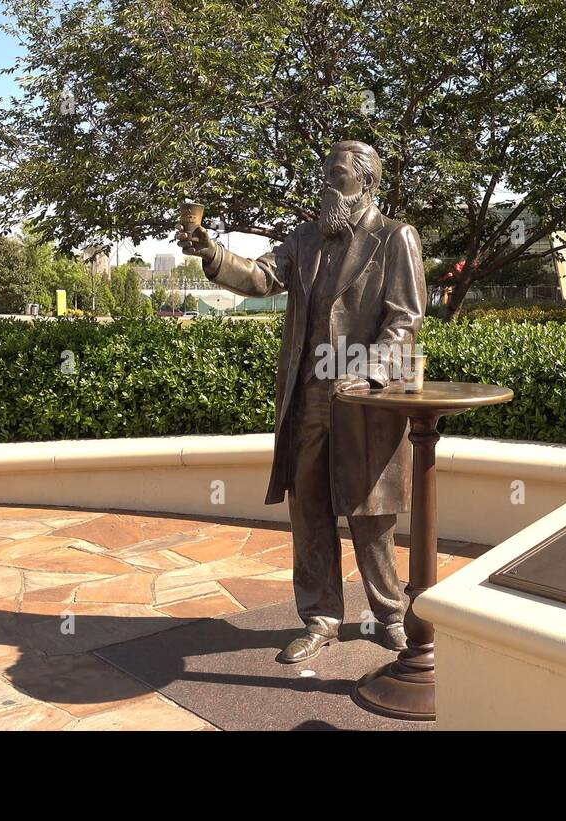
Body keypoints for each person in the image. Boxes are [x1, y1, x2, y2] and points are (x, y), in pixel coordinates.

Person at [178, 141, 422, 664]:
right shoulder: (307, 238)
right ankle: (320, 617)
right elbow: (263, 276)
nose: (327, 184)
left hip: (364, 401)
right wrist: (212, 252)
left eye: (338, 175)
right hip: (309, 396)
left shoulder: (395, 237)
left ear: (367, 183)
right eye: (325, 175)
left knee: (370, 512)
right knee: (308, 507)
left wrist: (371, 372)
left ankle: (392, 614)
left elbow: (405, 319)